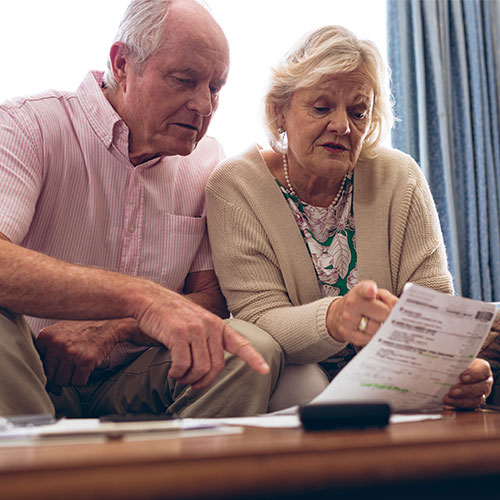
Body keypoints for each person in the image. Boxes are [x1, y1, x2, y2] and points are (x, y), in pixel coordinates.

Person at [0, 0, 283, 418]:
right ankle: (39, 479)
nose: (204, 106)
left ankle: (180, 484)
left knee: (248, 349)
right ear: (121, 65)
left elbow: (208, 299)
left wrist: (114, 329)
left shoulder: (208, 160)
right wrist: (142, 298)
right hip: (34, 367)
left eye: (215, 88)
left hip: (133, 373)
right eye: (185, 80)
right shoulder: (28, 125)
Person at [206, 25, 492, 410]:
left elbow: (433, 302)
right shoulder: (235, 185)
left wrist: (459, 369)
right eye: (322, 107)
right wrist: (335, 318)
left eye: (358, 112)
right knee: (302, 383)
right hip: (294, 380)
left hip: (393, 381)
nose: (342, 125)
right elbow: (258, 318)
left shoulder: (399, 177)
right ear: (280, 112)